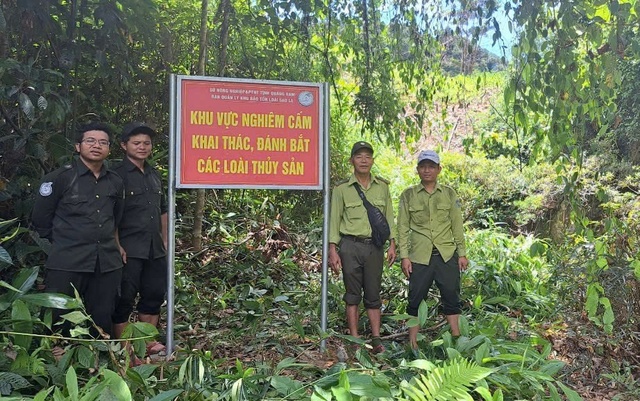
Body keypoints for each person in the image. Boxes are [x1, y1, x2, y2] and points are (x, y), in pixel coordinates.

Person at [31, 122, 125, 339]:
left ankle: (97, 357)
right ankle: (59, 355)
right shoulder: (59, 178)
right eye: (90, 141)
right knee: (60, 312)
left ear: (109, 149)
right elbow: (41, 219)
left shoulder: (116, 181)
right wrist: (66, 240)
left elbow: (116, 217)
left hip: (106, 262)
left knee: (102, 314)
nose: (96, 146)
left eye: (103, 142)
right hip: (67, 260)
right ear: (77, 146)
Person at [328, 141, 396, 354]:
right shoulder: (341, 189)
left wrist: (393, 244)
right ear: (352, 161)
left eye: (367, 156)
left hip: (374, 247)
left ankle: (376, 340)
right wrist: (332, 249)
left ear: (372, 160)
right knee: (352, 294)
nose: (364, 160)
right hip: (350, 246)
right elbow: (334, 219)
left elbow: (389, 218)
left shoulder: (382, 187)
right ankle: (355, 338)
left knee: (374, 294)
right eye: (359, 156)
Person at [397, 150, 468, 350]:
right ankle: (412, 344)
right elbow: (402, 227)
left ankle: (455, 341)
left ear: (439, 169)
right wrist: (404, 256)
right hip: (420, 256)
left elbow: (457, 225)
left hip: (446, 254)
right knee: (415, 298)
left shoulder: (449, 193)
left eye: (431, 166)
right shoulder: (408, 195)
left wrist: (461, 253)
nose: (427, 170)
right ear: (418, 169)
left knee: (451, 296)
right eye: (423, 166)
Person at [111, 122, 168, 357]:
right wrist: (116, 245)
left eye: (146, 143)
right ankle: (124, 348)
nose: (142, 147)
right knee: (124, 298)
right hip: (128, 248)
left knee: (154, 295)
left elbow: (163, 210)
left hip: (155, 248)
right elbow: (109, 213)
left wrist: (165, 241)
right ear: (124, 146)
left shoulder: (154, 175)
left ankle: (148, 343)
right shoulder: (115, 175)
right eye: (136, 143)